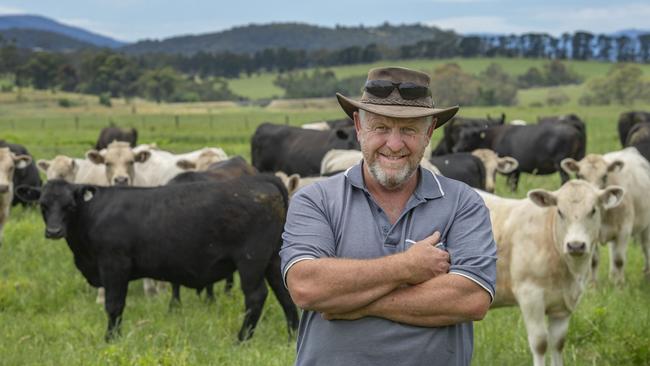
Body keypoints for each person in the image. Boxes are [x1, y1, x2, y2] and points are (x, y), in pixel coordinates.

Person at [279, 66, 497, 366]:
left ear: (429, 132)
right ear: (358, 126)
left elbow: (471, 299)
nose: (394, 145)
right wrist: (407, 267)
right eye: (381, 128)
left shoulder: (463, 203)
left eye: (408, 130)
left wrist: (349, 302)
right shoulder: (314, 200)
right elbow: (307, 287)